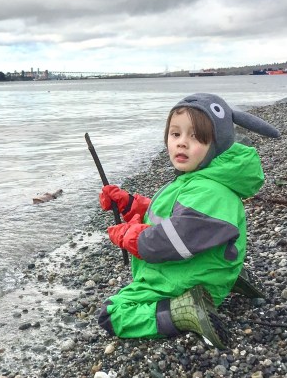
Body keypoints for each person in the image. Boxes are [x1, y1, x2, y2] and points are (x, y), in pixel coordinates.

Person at [96, 92, 280, 349]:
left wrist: (132, 237)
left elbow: (176, 238)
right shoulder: (199, 176)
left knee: (112, 314)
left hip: (186, 276)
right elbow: (176, 214)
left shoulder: (210, 190)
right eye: (175, 134)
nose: (182, 143)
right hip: (197, 264)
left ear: (218, 144)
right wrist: (130, 205)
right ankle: (229, 274)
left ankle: (185, 311)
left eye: (196, 137)